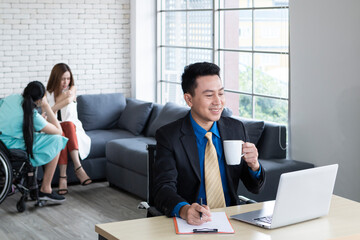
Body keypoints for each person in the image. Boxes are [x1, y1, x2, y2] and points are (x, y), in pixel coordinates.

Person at [153, 62, 265, 225]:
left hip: (232, 220)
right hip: (191, 222)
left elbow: (255, 188)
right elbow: (162, 189)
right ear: (189, 99)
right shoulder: (169, 136)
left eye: (221, 93)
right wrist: (185, 210)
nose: (218, 102)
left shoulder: (236, 129)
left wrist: (254, 165)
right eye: (209, 95)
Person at [0, 81, 67, 202]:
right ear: (40, 100)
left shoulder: (12, 98)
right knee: (57, 140)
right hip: (13, 147)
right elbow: (58, 130)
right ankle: (46, 189)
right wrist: (46, 106)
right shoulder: (32, 115)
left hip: (2, 143)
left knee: (42, 137)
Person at [46, 63, 92, 195]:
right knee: (61, 131)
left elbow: (67, 100)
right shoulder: (47, 94)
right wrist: (50, 108)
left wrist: (51, 108)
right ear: (55, 78)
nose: (66, 82)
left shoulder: (72, 89)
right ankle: (78, 170)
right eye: (62, 79)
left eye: (68, 78)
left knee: (68, 126)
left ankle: (64, 176)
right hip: (55, 127)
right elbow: (47, 117)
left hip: (73, 128)